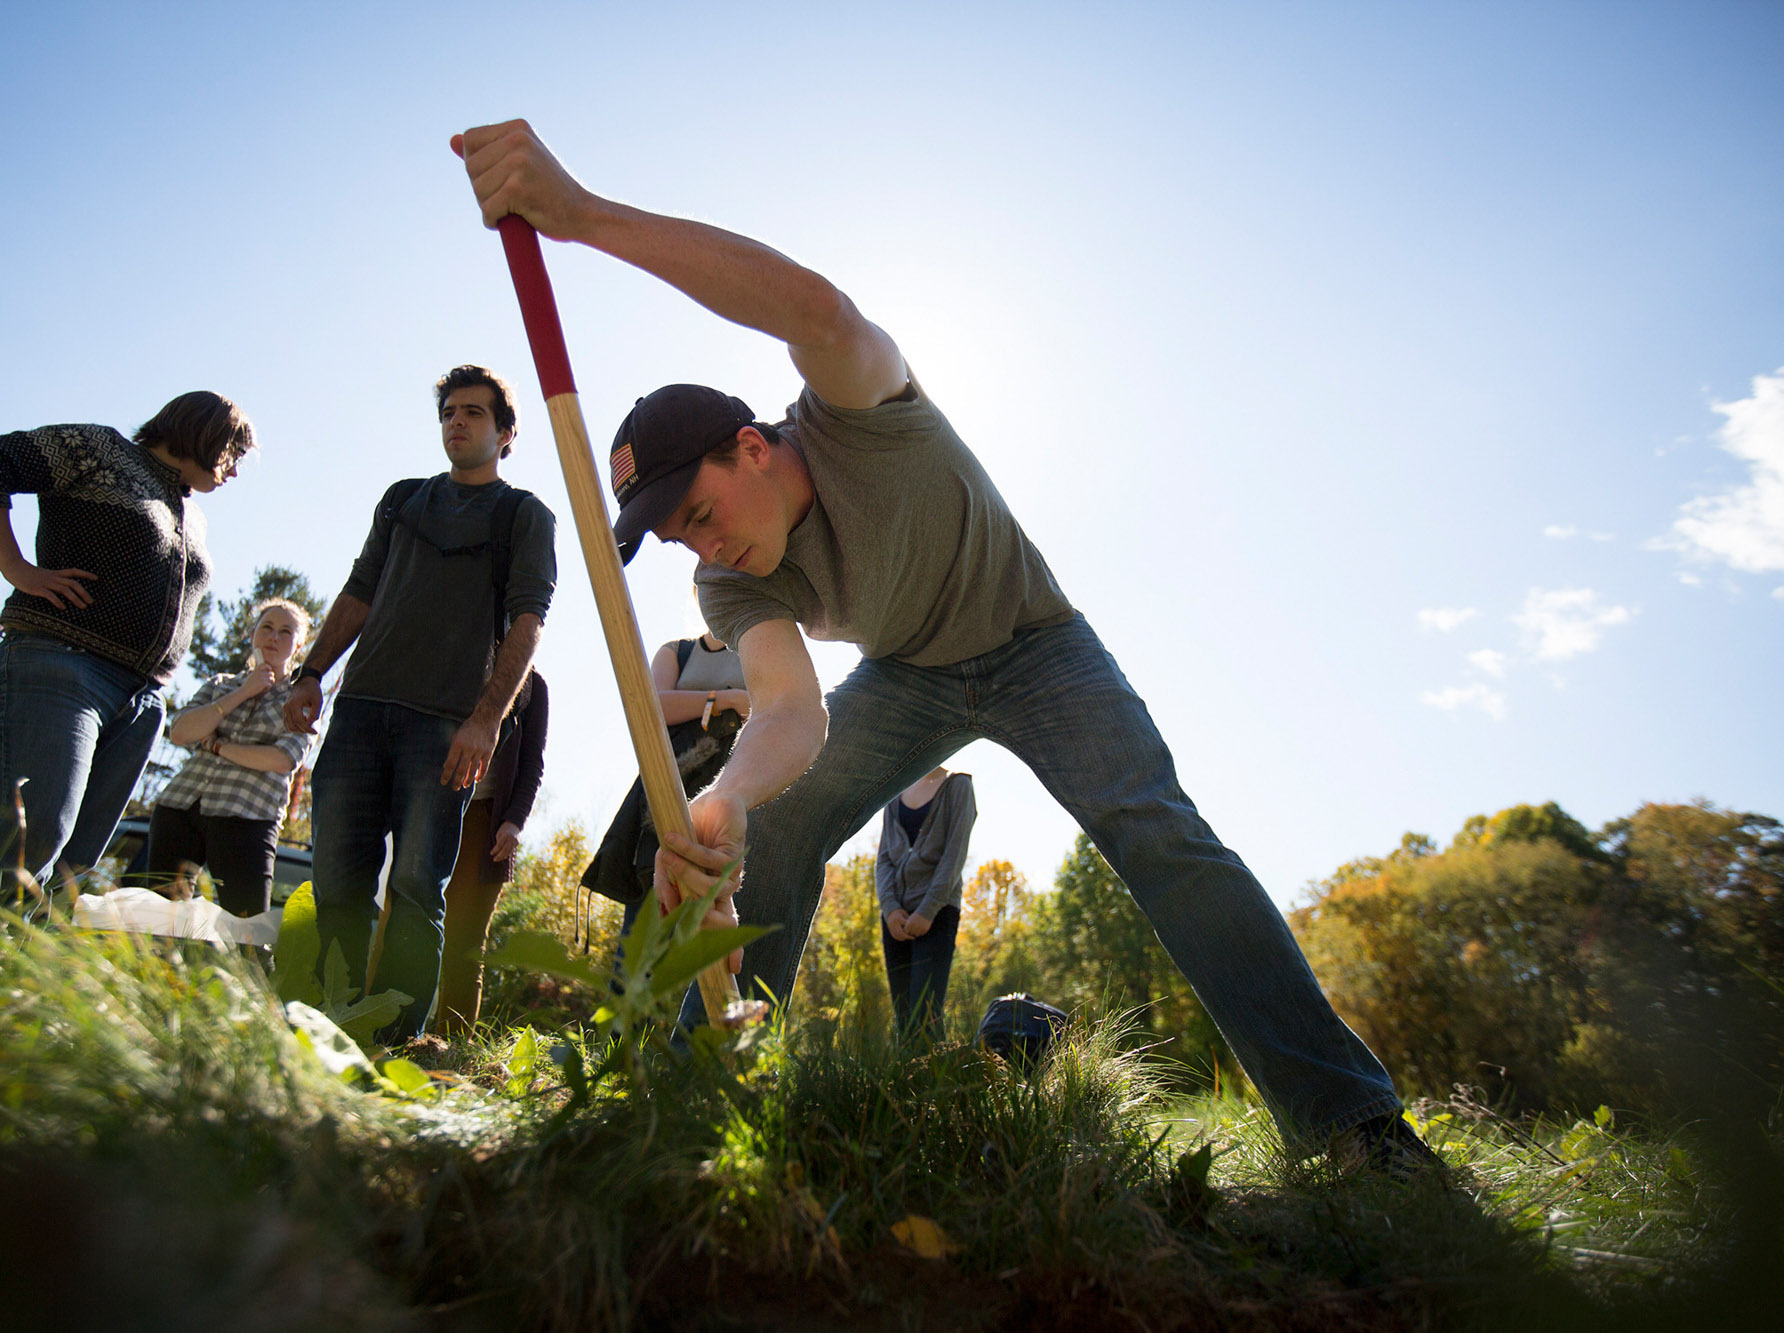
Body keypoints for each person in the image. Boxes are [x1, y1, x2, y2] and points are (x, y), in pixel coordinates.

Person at [454, 120, 1432, 1167]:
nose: (705, 547)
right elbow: (792, 708)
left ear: (749, 447)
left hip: (1036, 646)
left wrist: (585, 217)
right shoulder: (732, 579)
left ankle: (1352, 1126)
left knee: (1157, 830)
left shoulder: (854, 407)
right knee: (775, 827)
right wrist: (727, 799)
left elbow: (814, 308)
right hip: (910, 680)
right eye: (679, 536)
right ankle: (701, 1108)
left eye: (697, 510)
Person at [285, 366, 557, 1041]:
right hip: (358, 712)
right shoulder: (403, 499)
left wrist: (487, 719)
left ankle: (392, 1040)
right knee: (336, 880)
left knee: (414, 887)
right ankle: (325, 1025)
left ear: (505, 433)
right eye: (448, 413)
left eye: (472, 412)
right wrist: (313, 670)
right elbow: (358, 592)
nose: (456, 423)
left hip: (443, 726)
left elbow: (528, 622)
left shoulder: (524, 515)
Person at [0, 391, 252, 897]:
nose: (234, 470)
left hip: (141, 702)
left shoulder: (192, 513)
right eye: (233, 452)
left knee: (71, 864)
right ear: (204, 431)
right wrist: (17, 568)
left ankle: (4, 974)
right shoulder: (98, 449)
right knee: (30, 838)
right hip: (61, 668)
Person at [146, 599, 315, 916]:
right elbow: (181, 732)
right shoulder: (220, 685)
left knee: (247, 930)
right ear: (253, 633)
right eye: (266, 627)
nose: (273, 637)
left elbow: (281, 760)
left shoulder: (300, 699)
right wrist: (243, 692)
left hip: (247, 817)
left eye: (285, 631)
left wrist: (216, 745)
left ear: (299, 643)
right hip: (180, 807)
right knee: (161, 923)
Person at [584, 630, 750, 927]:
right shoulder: (679, 651)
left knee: (719, 922)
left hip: (732, 797)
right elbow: (652, 707)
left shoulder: (758, 648)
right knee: (650, 926)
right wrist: (726, 698)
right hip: (666, 795)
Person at [428, 666, 547, 1034]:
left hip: (487, 820)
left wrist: (513, 821)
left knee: (466, 942)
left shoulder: (532, 687)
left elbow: (532, 764)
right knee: (404, 917)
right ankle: (384, 1029)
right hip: (431, 807)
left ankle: (450, 1042)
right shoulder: (453, 662)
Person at [876, 767, 974, 1041]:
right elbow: (883, 858)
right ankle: (904, 1081)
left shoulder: (958, 785)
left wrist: (928, 911)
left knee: (926, 1015)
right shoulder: (895, 789)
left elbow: (954, 855)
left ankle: (934, 1081)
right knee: (904, 1016)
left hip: (937, 914)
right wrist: (890, 909)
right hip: (895, 919)